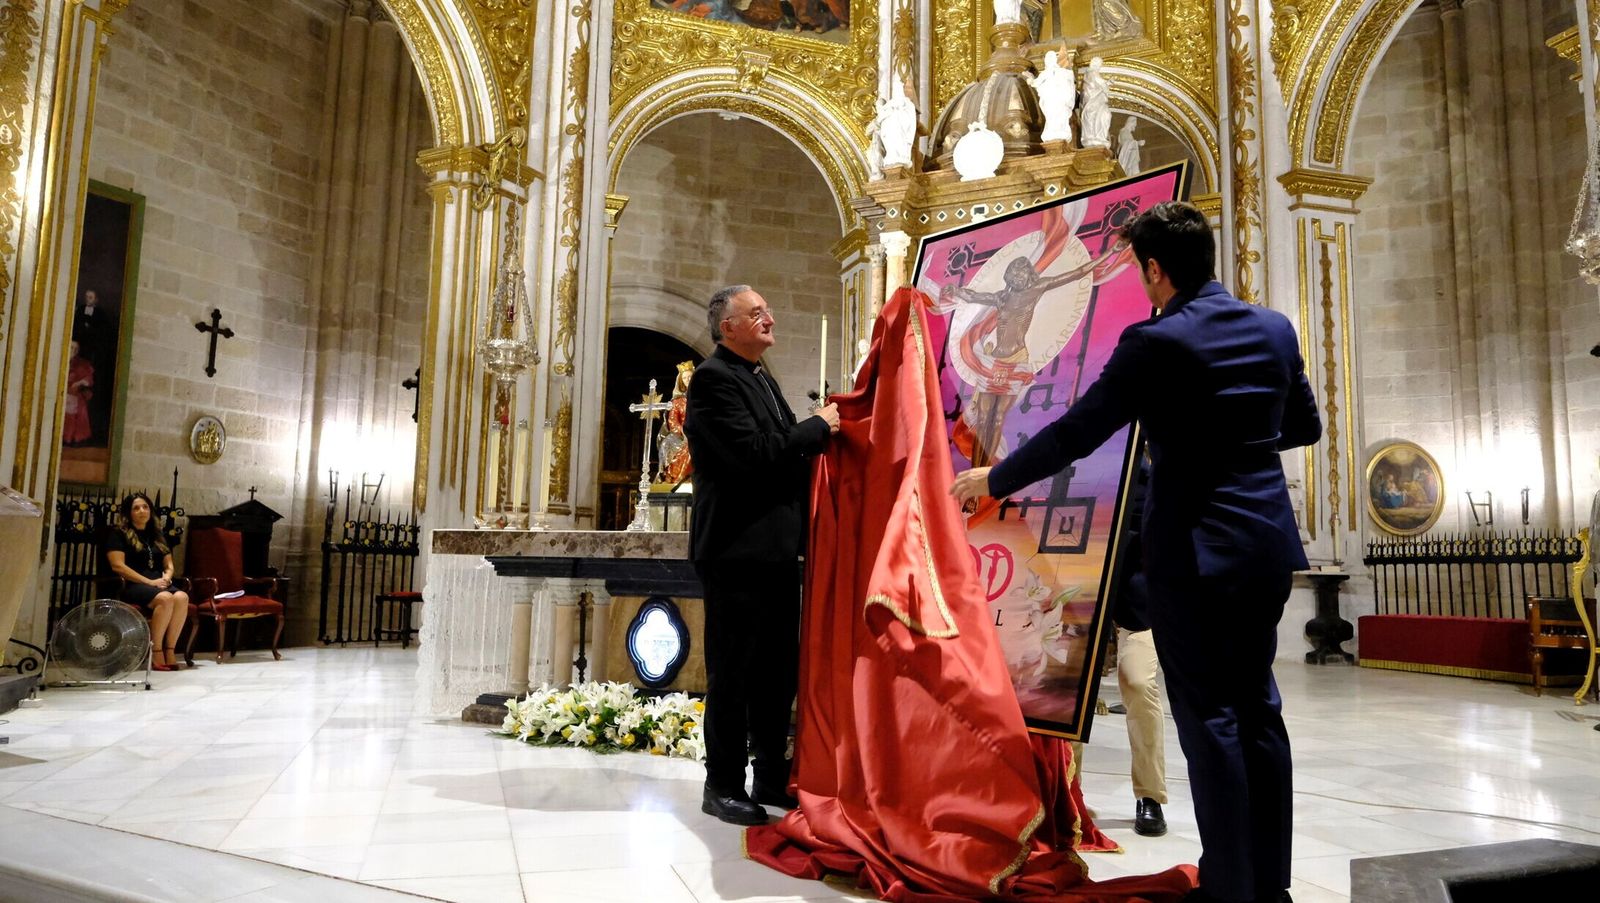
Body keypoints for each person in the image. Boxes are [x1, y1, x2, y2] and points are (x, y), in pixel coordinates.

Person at [952, 200, 1321, 903]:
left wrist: (991, 477)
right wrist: (1235, 443)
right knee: (1259, 712)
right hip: (1265, 547)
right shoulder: (1274, 328)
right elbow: (1303, 424)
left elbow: (1078, 433)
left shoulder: (1155, 342)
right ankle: (1270, 889)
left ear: (1155, 270)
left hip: (1192, 554)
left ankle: (1231, 892)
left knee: (1210, 719)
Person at [685, 284, 840, 826]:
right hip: (735, 551)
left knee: (778, 673)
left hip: (774, 551)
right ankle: (722, 783)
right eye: (756, 313)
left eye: (767, 309)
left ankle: (771, 774)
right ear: (728, 327)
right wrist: (818, 428)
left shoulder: (760, 376)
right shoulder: (712, 380)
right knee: (734, 673)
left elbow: (784, 458)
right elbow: (753, 456)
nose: (768, 316)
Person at [104, 492, 191, 672]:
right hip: (134, 584)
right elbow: (117, 566)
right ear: (128, 513)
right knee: (165, 598)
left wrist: (167, 577)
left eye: (145, 507)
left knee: (182, 597)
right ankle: (156, 650)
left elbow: (169, 565)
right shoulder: (119, 534)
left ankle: (171, 650)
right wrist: (149, 583)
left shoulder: (157, 535)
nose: (142, 511)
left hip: (158, 583)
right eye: (136, 508)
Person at [63, 339, 94, 445]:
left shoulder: (82, 364)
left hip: (74, 395)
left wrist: (80, 382)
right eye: (71, 347)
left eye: (76, 349)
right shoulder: (60, 359)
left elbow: (88, 380)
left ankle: (71, 439)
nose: (73, 350)